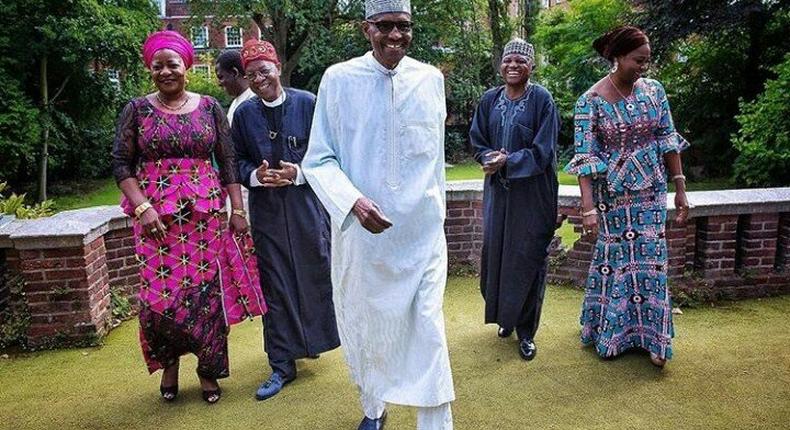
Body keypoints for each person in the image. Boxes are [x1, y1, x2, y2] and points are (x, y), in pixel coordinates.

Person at [302, 1, 455, 428]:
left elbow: (435, 159)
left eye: (403, 26)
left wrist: (436, 217)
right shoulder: (339, 79)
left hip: (421, 235)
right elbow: (319, 159)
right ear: (366, 28)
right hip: (364, 237)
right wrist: (353, 202)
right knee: (370, 331)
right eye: (384, 26)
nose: (394, 36)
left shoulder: (429, 79)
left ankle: (436, 423)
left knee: (429, 330)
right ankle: (374, 407)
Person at [111, 30, 265, 404]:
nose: (166, 71)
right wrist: (143, 207)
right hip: (155, 219)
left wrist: (237, 209)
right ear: (150, 69)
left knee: (208, 295)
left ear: (186, 66)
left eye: (173, 64)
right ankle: (169, 364)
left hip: (205, 216)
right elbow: (120, 163)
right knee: (158, 297)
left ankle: (208, 369)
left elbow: (228, 162)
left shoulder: (210, 107)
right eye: (157, 65)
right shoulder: (136, 110)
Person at [564, 26, 690, 367]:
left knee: (652, 261)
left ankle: (656, 341)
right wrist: (588, 209)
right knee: (619, 263)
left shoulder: (655, 91)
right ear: (617, 57)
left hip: (651, 190)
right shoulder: (589, 101)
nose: (644, 67)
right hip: (613, 196)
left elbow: (667, 138)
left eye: (647, 61)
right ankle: (610, 334)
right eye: (638, 60)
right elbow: (586, 160)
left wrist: (679, 189)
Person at [231, 39, 340, 401]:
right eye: (251, 74)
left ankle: (316, 341)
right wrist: (255, 177)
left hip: (306, 208)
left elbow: (330, 153)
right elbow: (237, 162)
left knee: (315, 274)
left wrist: (298, 172)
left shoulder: (308, 103)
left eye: (264, 70)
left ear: (277, 66)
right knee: (275, 285)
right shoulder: (244, 115)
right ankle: (281, 364)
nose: (259, 78)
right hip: (268, 214)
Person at [469, 38, 559, 361]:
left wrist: (510, 161)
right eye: (508, 60)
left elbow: (544, 151)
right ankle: (505, 319)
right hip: (499, 193)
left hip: (533, 196)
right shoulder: (490, 100)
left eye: (521, 61)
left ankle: (526, 331)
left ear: (531, 67)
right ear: (500, 64)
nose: (513, 66)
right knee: (497, 255)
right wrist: (488, 157)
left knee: (527, 258)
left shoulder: (542, 100)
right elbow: (477, 139)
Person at [216, 49, 256, 126]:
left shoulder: (254, 102)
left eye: (221, 77)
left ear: (234, 73)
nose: (219, 83)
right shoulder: (236, 102)